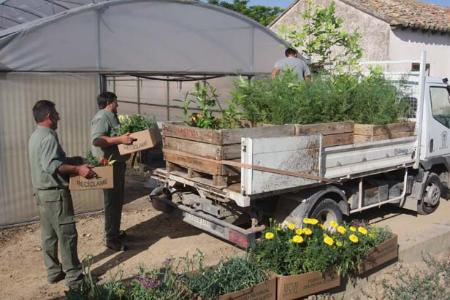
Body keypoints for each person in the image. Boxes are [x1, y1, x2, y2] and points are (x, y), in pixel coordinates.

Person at [28, 100, 95, 289]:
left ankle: (53, 272)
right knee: (67, 235)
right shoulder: (49, 136)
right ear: (49, 116)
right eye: (56, 113)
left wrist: (75, 160)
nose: (59, 116)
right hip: (55, 195)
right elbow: (52, 166)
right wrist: (78, 169)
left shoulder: (36, 136)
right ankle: (75, 279)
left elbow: (49, 160)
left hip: (42, 194)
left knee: (49, 235)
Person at [91, 92, 134, 251]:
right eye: (116, 102)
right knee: (112, 201)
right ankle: (111, 238)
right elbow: (97, 140)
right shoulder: (102, 117)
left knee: (117, 199)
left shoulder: (111, 116)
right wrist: (120, 140)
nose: (118, 105)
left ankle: (114, 231)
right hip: (109, 166)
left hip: (117, 164)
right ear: (109, 102)